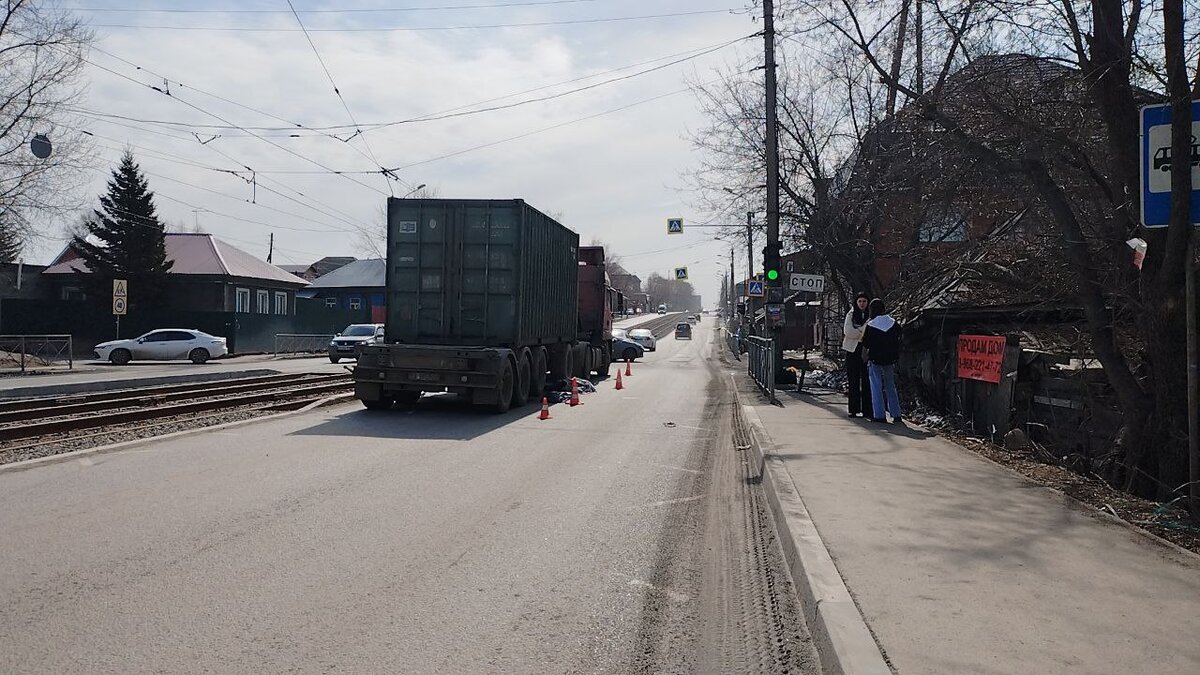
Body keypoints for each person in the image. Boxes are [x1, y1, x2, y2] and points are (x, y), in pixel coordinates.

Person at [861, 298, 902, 424]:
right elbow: (899, 336)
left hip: (875, 359)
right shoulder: (893, 322)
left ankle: (879, 415)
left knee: (876, 386)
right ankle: (896, 414)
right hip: (890, 358)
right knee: (891, 386)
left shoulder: (871, 325)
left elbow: (866, 342)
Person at [841, 292, 872, 417]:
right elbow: (848, 331)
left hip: (866, 350)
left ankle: (867, 410)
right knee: (853, 379)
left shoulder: (871, 315)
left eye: (864, 301)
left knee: (867, 380)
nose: (862, 304)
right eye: (860, 301)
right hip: (852, 350)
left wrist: (859, 331)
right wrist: (862, 332)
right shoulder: (851, 314)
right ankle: (853, 409)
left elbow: (871, 332)